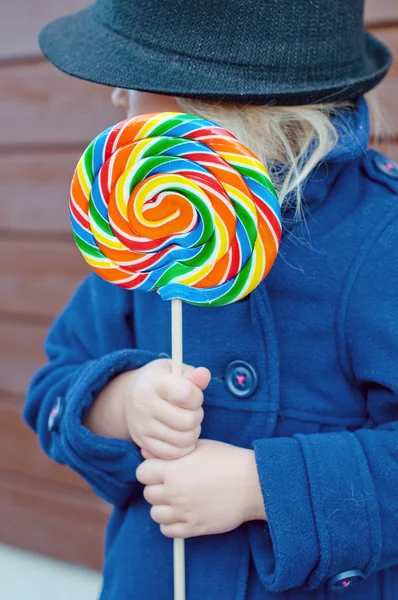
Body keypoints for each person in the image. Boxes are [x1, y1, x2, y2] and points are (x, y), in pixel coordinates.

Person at [24, 0, 398, 598]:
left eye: (133, 82)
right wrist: (119, 402)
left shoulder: (383, 241)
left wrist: (261, 486)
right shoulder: (144, 233)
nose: (118, 99)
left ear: (216, 108)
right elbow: (53, 386)